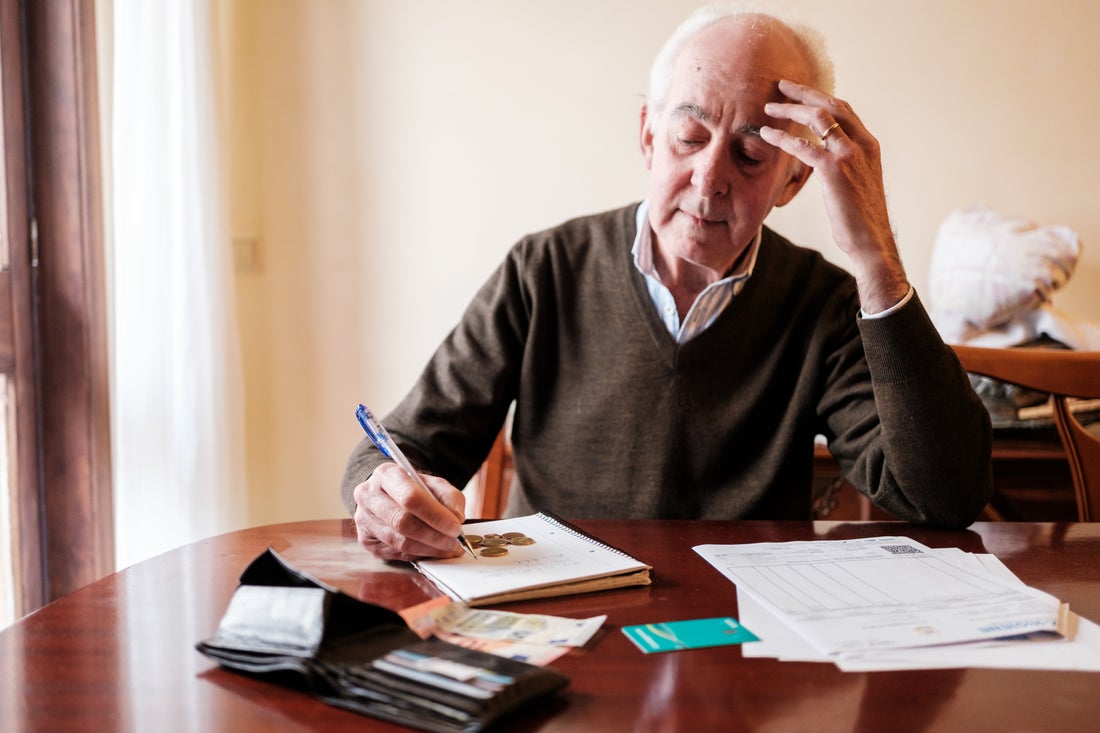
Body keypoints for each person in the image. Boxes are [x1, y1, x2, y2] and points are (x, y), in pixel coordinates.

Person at [341, 4, 993, 561]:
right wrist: (385, 496)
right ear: (649, 137)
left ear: (793, 180)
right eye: (689, 135)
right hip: (567, 636)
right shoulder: (544, 270)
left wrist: (876, 256)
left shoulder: (822, 305)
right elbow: (403, 446)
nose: (710, 179)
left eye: (750, 154)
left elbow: (946, 497)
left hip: (742, 650)